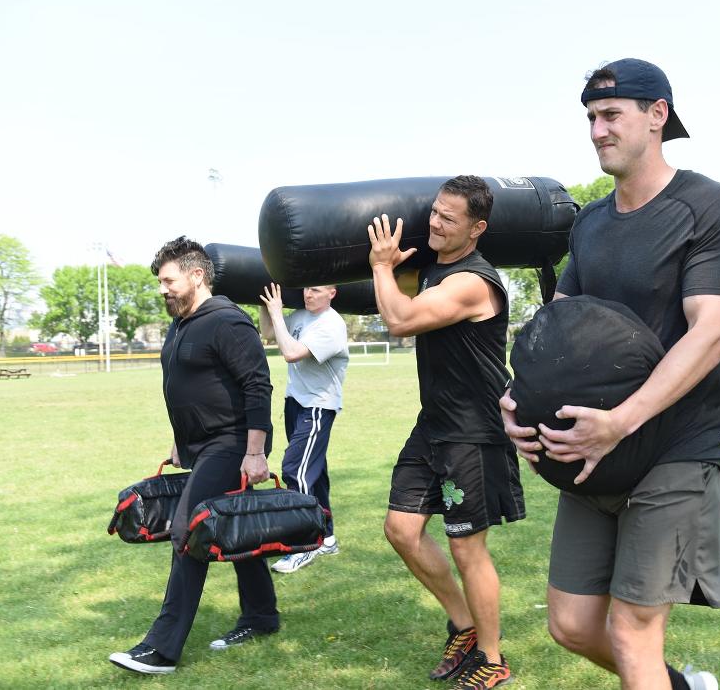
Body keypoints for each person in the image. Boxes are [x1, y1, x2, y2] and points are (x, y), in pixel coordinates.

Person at [500, 58, 720, 690]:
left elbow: (711, 330)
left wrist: (622, 420)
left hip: (675, 442)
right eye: (590, 118)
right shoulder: (590, 222)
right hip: (593, 446)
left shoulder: (709, 206)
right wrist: (516, 399)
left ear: (657, 116)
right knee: (572, 624)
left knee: (633, 629)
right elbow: (559, 325)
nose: (596, 130)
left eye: (611, 115)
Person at [367, 175, 525, 689]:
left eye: (448, 218)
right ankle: (463, 624)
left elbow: (400, 320)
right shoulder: (435, 269)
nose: (435, 222)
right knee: (401, 529)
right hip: (434, 421)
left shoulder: (473, 282)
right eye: (434, 212)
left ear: (476, 229)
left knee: (466, 548)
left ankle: (493, 658)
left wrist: (380, 266)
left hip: (473, 430)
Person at [110, 237, 278, 674]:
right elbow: (185, 386)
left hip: (233, 443)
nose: (162, 288)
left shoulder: (227, 321)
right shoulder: (181, 322)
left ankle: (161, 649)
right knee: (235, 525)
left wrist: (255, 452)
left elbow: (258, 386)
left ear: (197, 275)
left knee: (189, 529)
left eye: (169, 280)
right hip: (199, 444)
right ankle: (261, 615)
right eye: (161, 282)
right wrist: (179, 439)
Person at [258, 283, 349, 572]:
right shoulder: (300, 315)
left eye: (317, 290)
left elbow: (291, 352)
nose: (308, 294)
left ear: (332, 293)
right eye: (307, 289)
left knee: (295, 470)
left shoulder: (332, 325)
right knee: (315, 473)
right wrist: (262, 303)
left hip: (318, 406)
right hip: (296, 401)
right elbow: (270, 333)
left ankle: (305, 544)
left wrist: (275, 310)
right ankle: (328, 537)